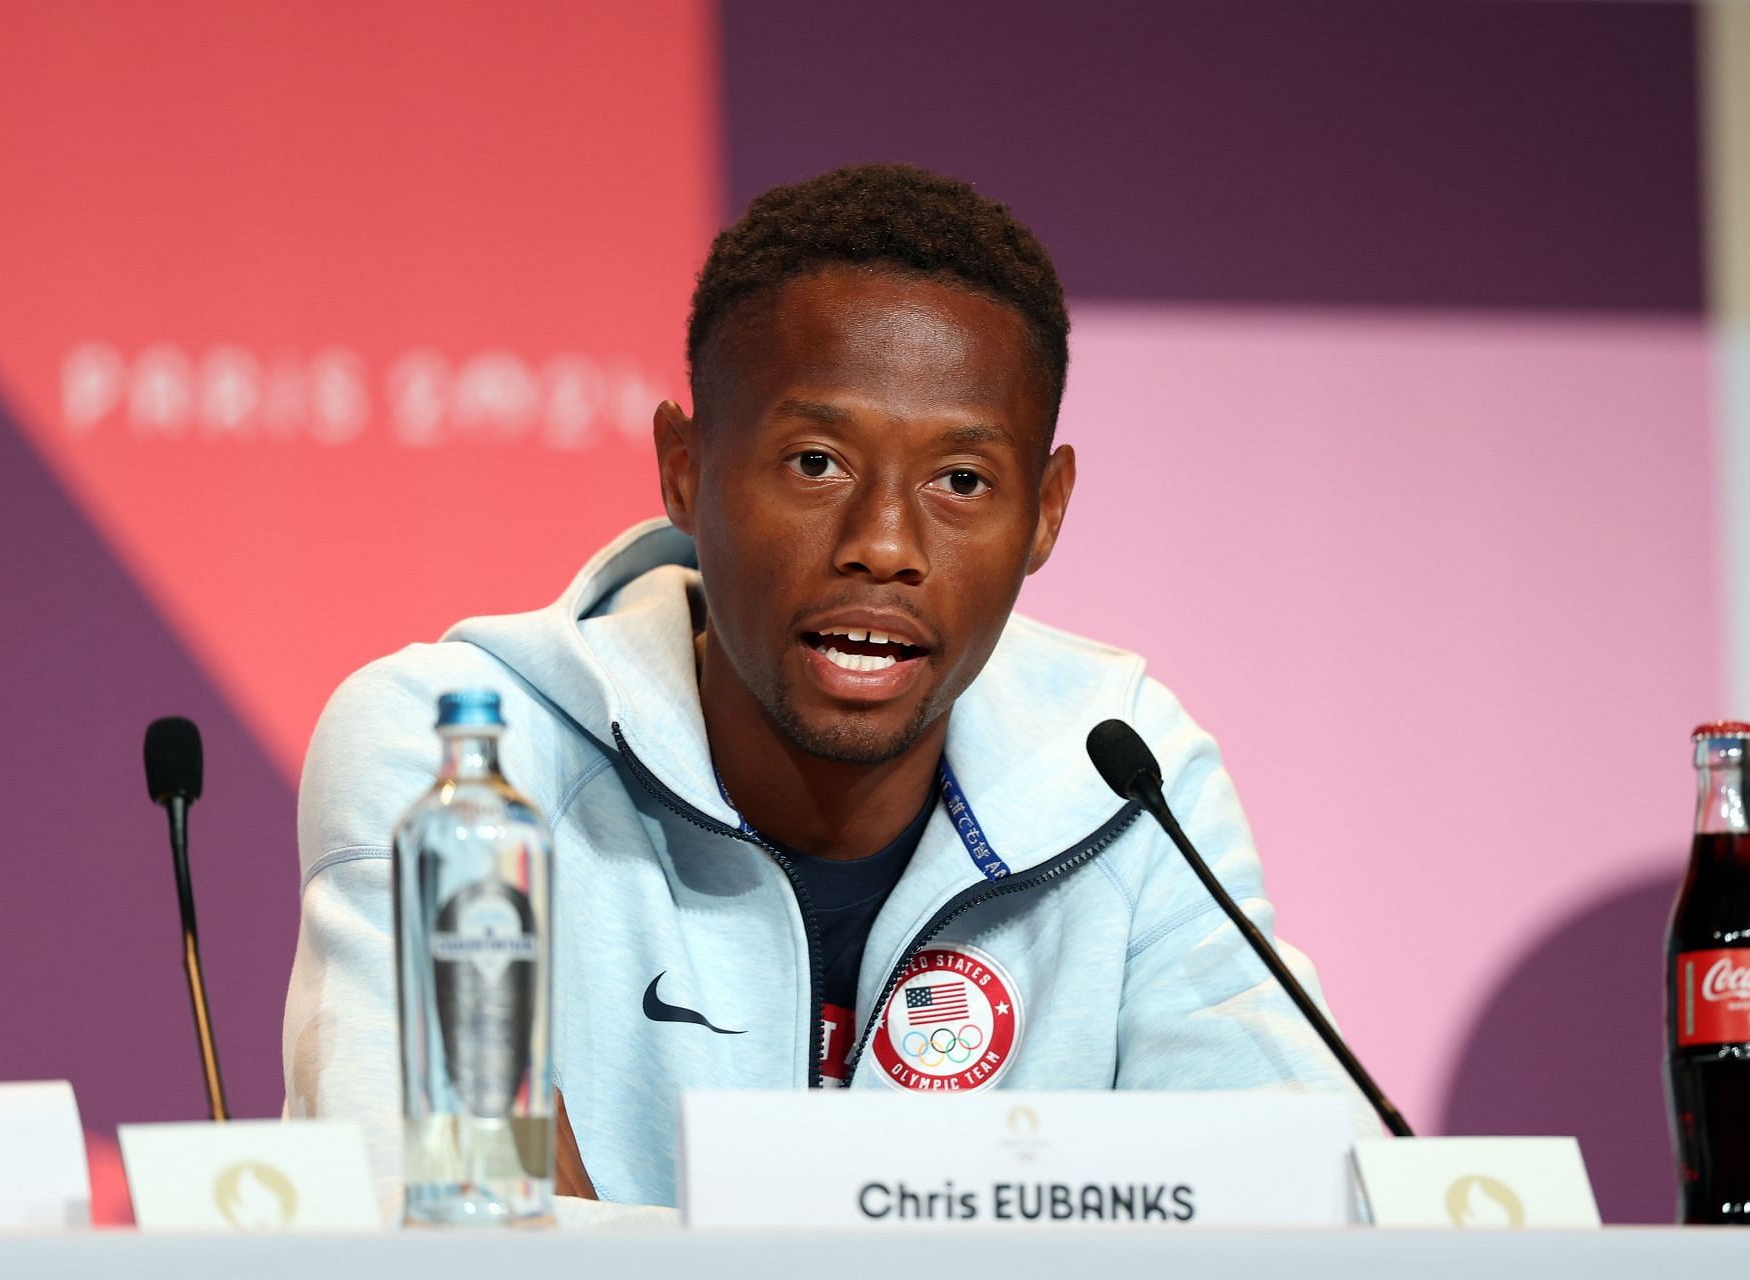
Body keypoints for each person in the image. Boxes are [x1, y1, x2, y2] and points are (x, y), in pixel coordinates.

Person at [283, 163, 1368, 1210]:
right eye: (817, 462)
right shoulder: (462, 757)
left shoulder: (1125, 772)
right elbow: (432, 1225)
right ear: (686, 466)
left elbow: (1313, 1205)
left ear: (1045, 510)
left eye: (961, 480)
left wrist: (602, 1223)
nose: (885, 544)